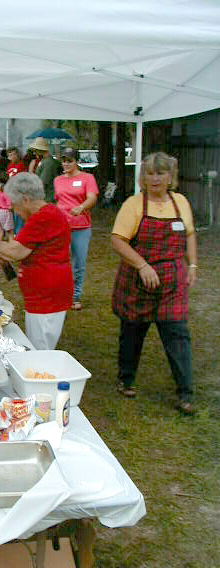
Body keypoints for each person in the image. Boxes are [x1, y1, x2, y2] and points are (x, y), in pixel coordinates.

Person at [111, 152, 197, 415]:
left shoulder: (181, 202)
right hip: (138, 281)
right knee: (132, 332)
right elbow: (117, 240)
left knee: (177, 334)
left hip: (172, 283)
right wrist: (142, 265)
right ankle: (126, 378)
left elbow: (190, 234)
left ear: (171, 176)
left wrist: (192, 265)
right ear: (143, 177)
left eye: (161, 173)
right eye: (150, 173)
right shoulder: (134, 205)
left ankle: (186, 393)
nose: (155, 178)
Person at [0, 172, 73, 350]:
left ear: (25, 199)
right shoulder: (48, 214)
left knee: (40, 350)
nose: (15, 212)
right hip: (44, 294)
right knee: (39, 344)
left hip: (46, 297)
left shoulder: (43, 217)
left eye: (15, 206)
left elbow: (16, 251)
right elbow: (21, 248)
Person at [54, 147, 98, 310]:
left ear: (76, 162)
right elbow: (58, 200)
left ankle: (75, 296)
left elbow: (92, 198)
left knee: (79, 262)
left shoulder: (87, 178)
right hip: (61, 227)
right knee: (60, 261)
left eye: (69, 161)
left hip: (81, 227)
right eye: (63, 161)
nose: (66, 164)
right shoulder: (58, 180)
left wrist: (81, 207)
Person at [31, 137, 61, 203]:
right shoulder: (45, 161)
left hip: (48, 199)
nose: (34, 153)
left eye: (35, 151)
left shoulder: (48, 163)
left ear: (40, 151)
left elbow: (43, 182)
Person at [6, 147, 27, 234]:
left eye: (13, 154)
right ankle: (15, 232)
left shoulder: (21, 165)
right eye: (10, 155)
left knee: (19, 213)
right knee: (13, 213)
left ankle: (19, 232)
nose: (12, 156)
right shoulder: (9, 165)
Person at [0, 178, 14, 243]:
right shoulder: (6, 193)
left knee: (1, 232)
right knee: (10, 233)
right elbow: (10, 206)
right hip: (6, 212)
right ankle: (11, 246)